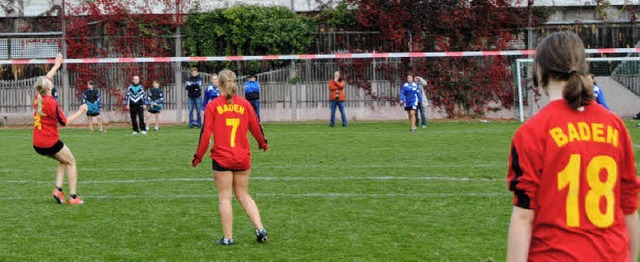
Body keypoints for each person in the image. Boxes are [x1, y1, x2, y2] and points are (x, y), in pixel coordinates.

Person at [506, 31, 640, 261]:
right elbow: (629, 206)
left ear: (540, 71)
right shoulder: (615, 126)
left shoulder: (532, 132)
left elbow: (523, 217)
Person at [191, 69, 269, 246]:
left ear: (218, 83)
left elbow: (205, 135)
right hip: (242, 157)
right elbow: (256, 127)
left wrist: (198, 157)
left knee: (225, 197)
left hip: (222, 158)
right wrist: (262, 143)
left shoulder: (213, 106)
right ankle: (260, 228)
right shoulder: (245, 104)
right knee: (243, 194)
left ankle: (228, 238)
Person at [32, 53, 87, 205]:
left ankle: (58, 190)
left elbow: (47, 76)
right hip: (49, 142)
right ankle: (73, 197)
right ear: (48, 87)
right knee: (71, 161)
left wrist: (57, 65)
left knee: (63, 160)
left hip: (37, 144)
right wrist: (81, 111)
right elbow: (65, 122)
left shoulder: (38, 97)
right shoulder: (51, 103)